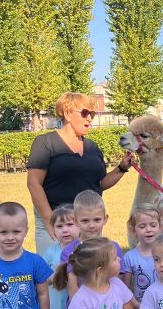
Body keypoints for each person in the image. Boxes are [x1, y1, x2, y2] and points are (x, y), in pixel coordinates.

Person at [27, 92, 133, 256]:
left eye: (92, 114)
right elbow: (34, 183)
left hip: (88, 223)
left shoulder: (93, 147)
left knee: (90, 269)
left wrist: (121, 168)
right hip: (58, 223)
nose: (90, 119)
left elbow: (99, 184)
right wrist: (50, 221)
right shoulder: (45, 143)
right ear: (68, 114)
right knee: (56, 270)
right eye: (85, 113)